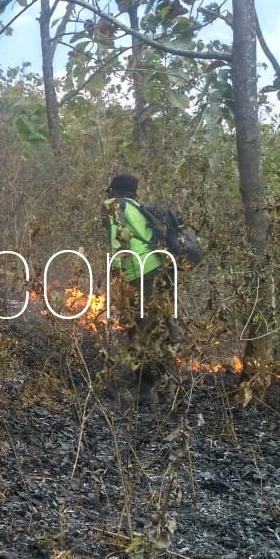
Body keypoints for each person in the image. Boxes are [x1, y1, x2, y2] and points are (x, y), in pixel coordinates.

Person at [103, 173, 177, 405]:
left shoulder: (112, 205)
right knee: (161, 327)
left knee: (139, 330)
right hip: (162, 270)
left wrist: (114, 271)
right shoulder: (136, 207)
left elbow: (116, 239)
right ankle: (168, 385)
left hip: (141, 273)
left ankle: (144, 392)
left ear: (113, 190)